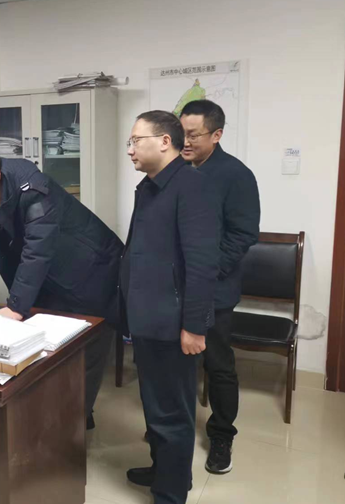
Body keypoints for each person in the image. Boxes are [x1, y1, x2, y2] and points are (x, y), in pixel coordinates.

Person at [0, 146, 124, 425]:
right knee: (49, 356)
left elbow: (37, 249)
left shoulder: (34, 190)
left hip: (91, 275)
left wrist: (16, 306)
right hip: (49, 279)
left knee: (83, 356)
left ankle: (74, 428)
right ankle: (54, 424)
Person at [122, 111, 219, 504]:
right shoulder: (150, 186)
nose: (130, 149)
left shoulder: (192, 185)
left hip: (172, 320)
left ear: (165, 141)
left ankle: (171, 492)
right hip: (148, 315)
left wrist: (194, 327)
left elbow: (202, 265)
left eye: (136, 140)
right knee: (155, 405)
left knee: (172, 413)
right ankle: (164, 469)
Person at [180, 100, 260, 474]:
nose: (185, 141)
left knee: (218, 364)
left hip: (215, 289)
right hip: (177, 287)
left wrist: (207, 273)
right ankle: (175, 426)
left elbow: (243, 234)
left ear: (216, 135)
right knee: (178, 361)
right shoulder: (177, 170)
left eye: (193, 135)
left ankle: (222, 435)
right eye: (181, 133)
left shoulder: (235, 175)